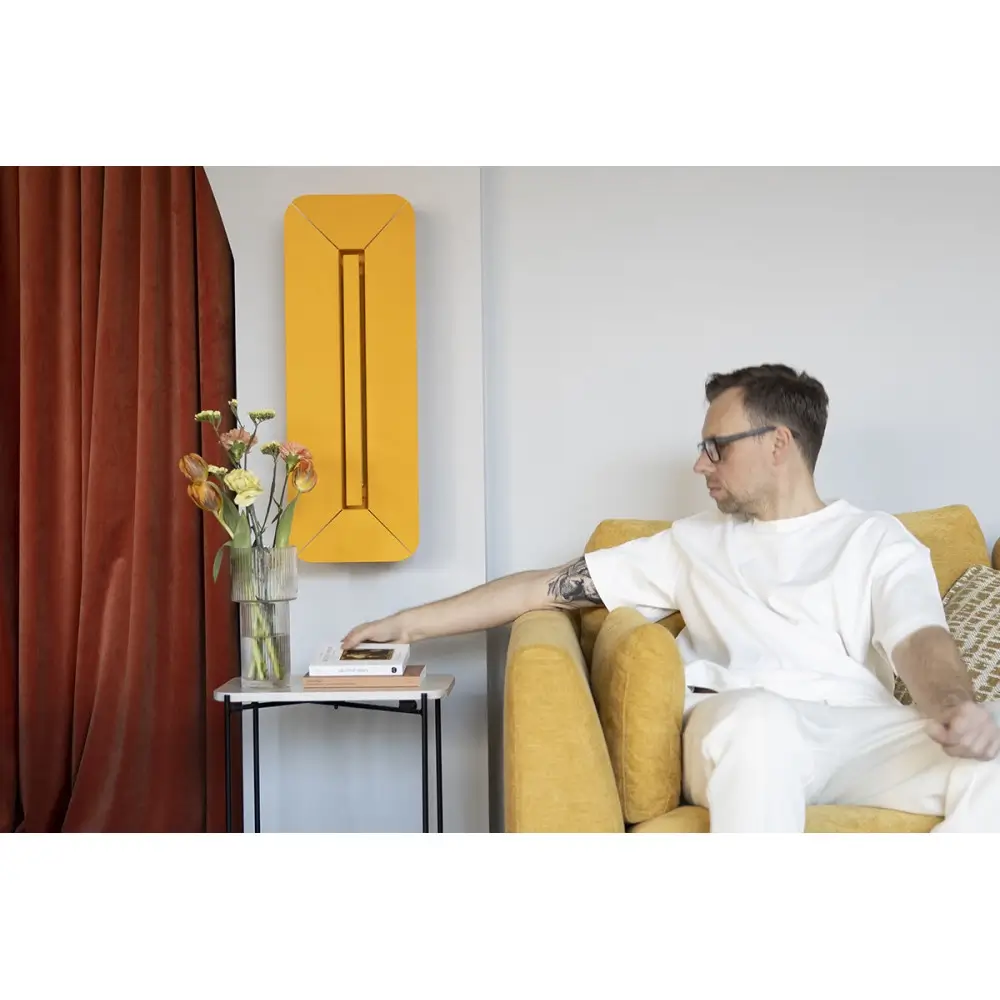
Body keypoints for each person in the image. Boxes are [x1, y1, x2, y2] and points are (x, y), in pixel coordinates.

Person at [342, 363, 1000, 832]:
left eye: (716, 448)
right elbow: (544, 588)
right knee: (761, 723)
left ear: (779, 444)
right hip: (741, 728)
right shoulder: (690, 544)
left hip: (855, 734)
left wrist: (955, 707)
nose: (700, 464)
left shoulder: (875, 539)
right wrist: (407, 623)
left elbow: (920, 639)